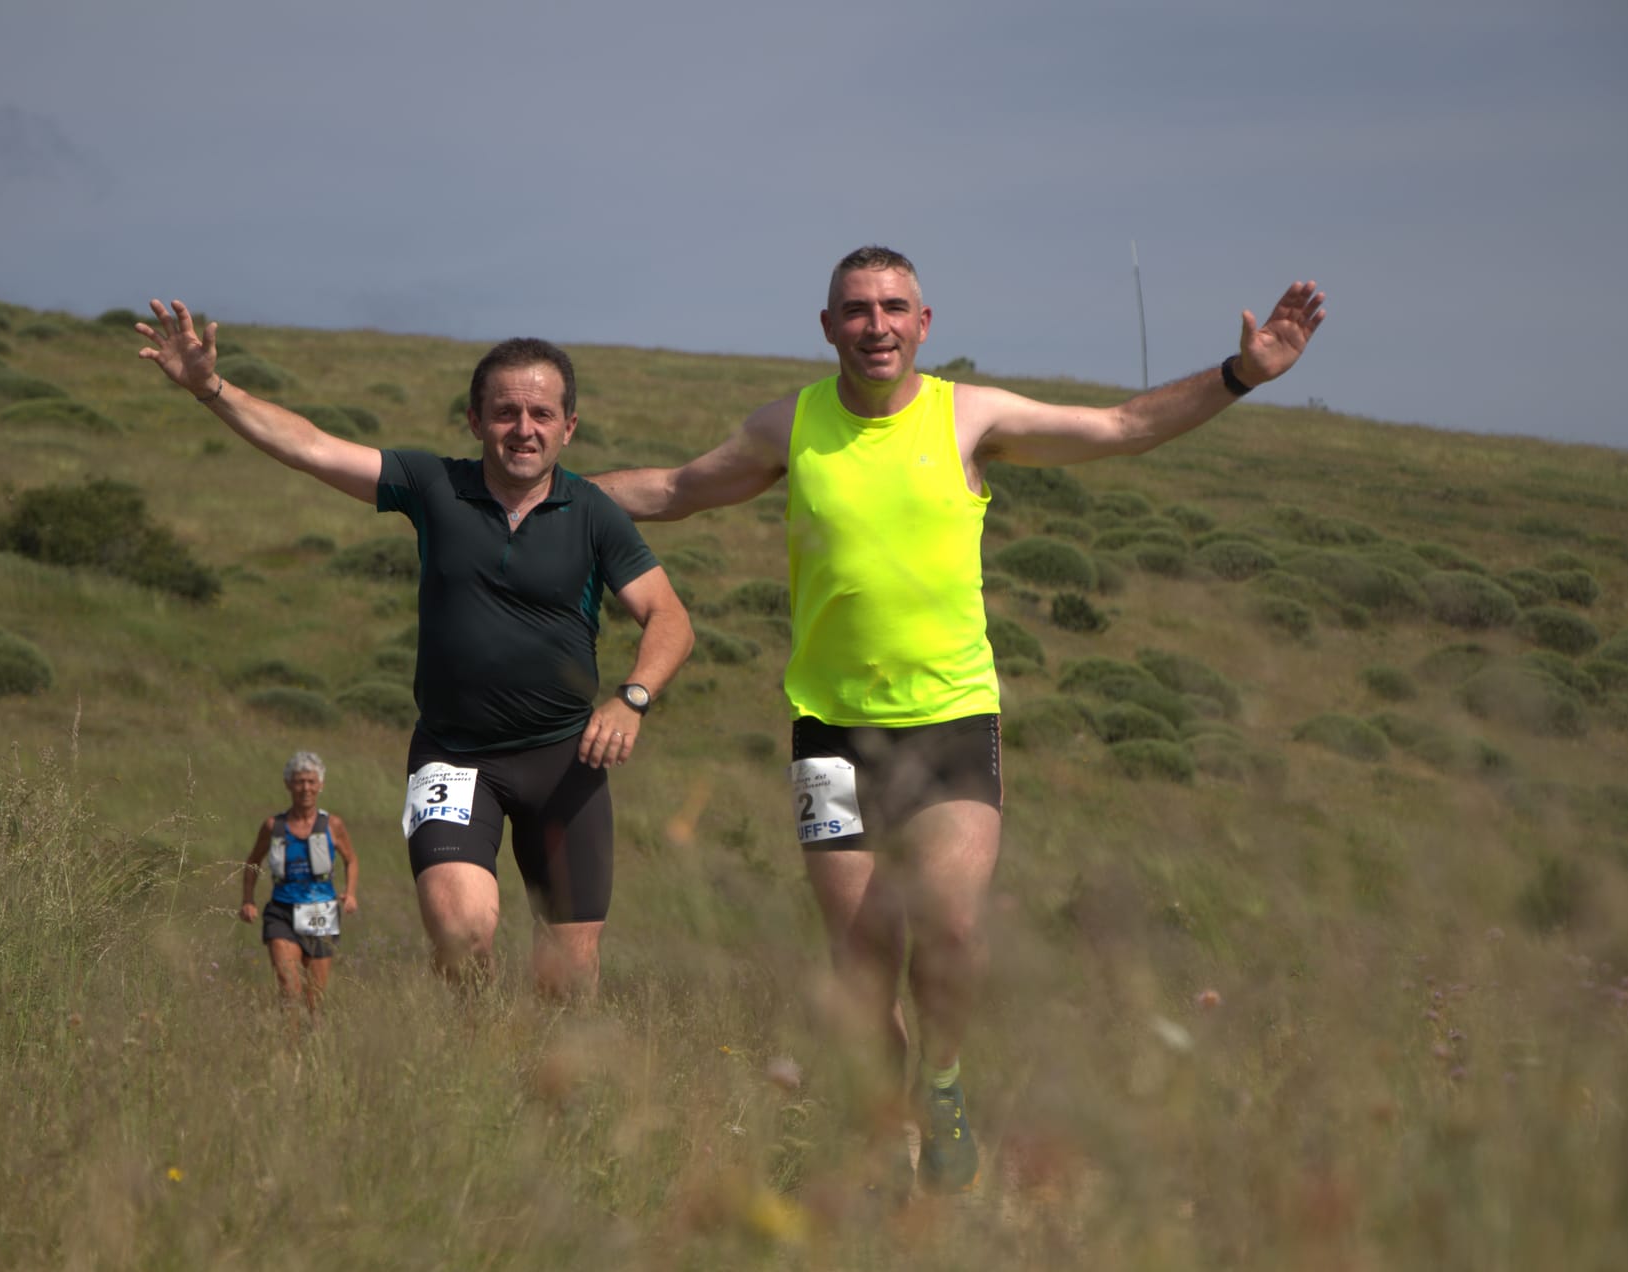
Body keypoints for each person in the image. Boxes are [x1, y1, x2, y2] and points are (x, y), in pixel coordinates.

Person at [594, 246, 1326, 1193]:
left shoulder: (967, 416)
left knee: (948, 928)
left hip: (950, 723)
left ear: (924, 323)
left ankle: (942, 1087)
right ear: (827, 328)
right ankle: (881, 1139)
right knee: (860, 971)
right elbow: (677, 489)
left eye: (894, 306)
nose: (876, 324)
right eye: (855, 309)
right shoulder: (792, 426)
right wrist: (531, 489)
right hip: (828, 733)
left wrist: (1240, 374)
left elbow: (1119, 426)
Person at [138, 302, 693, 1000]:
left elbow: (669, 616)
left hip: (565, 761)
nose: (523, 429)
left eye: (542, 414)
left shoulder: (593, 514)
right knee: (461, 933)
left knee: (570, 973)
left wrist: (633, 695)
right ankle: (480, 1057)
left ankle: (544, 1091)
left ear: (568, 426)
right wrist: (210, 388)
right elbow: (311, 446)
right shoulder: (434, 487)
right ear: (474, 419)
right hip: (454, 758)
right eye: (505, 412)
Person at [240, 750, 360, 1013]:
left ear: (320, 785)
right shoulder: (273, 826)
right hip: (281, 912)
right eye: (299, 781)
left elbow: (351, 860)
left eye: (311, 781)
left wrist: (350, 893)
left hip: (321, 911)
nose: (305, 787)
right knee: (289, 988)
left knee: (314, 997)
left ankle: (312, 1048)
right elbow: (252, 863)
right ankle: (288, 1049)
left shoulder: (332, 825)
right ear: (288, 784)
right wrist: (248, 900)